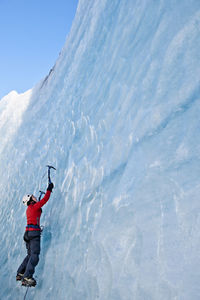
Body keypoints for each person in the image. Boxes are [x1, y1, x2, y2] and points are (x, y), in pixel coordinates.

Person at [16, 182, 54, 287]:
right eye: (33, 197)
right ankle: (27, 277)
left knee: (29, 255)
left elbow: (35, 216)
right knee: (35, 255)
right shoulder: (34, 207)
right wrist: (49, 189)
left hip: (28, 233)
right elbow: (45, 200)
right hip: (33, 233)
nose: (35, 197)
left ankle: (20, 272)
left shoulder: (29, 209)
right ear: (30, 200)